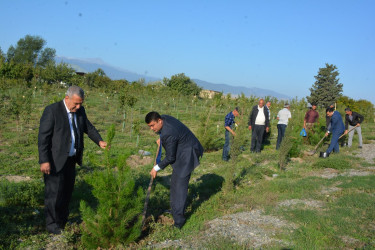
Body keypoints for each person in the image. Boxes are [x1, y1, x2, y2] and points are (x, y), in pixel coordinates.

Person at [38, 86, 107, 235]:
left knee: (66, 192)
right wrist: (44, 160)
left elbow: (88, 127)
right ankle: (52, 225)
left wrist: (99, 141)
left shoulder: (80, 111)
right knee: (53, 194)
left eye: (81, 103)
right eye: (76, 103)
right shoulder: (52, 111)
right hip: (54, 160)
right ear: (67, 98)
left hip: (71, 159)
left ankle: (62, 221)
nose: (78, 106)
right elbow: (43, 138)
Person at [145, 111, 204, 229]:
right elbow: (167, 137)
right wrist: (161, 140)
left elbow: (170, 157)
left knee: (179, 187)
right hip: (183, 148)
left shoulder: (168, 132)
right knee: (174, 183)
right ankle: (175, 210)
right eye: (149, 126)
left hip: (188, 154)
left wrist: (156, 168)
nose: (151, 129)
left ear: (159, 121)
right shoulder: (165, 119)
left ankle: (179, 222)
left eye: (153, 125)